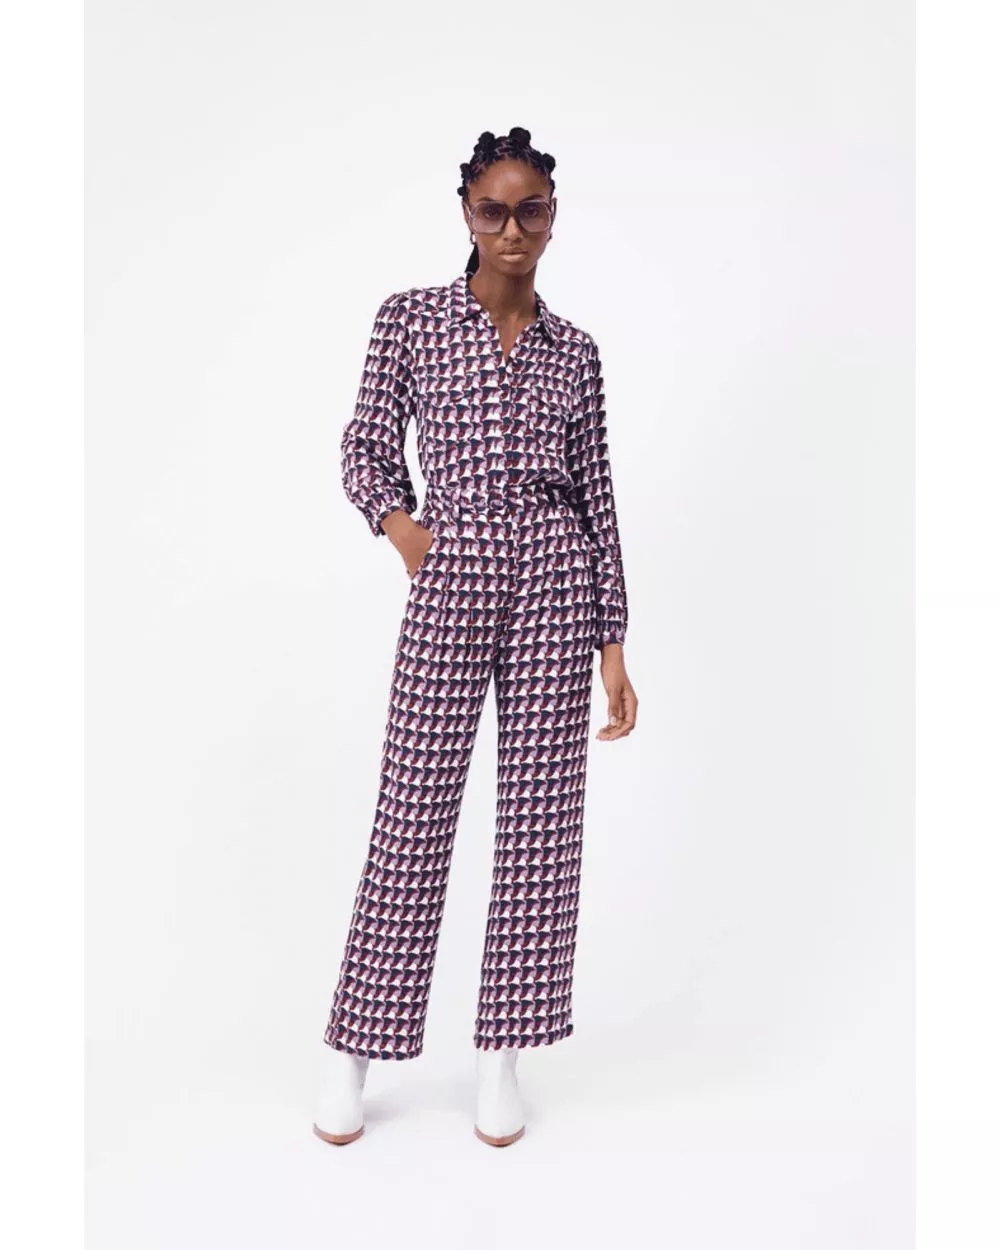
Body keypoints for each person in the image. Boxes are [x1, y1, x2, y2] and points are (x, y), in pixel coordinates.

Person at [313, 126, 638, 1148]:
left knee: (541, 823)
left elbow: (597, 496)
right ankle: (352, 1049)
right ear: (465, 213)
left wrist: (613, 642)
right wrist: (404, 529)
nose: (511, 229)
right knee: (412, 810)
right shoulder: (410, 319)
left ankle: (502, 1056)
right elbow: (364, 445)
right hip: (451, 570)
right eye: (493, 210)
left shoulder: (575, 351)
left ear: (552, 218)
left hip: (555, 579)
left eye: (529, 210)